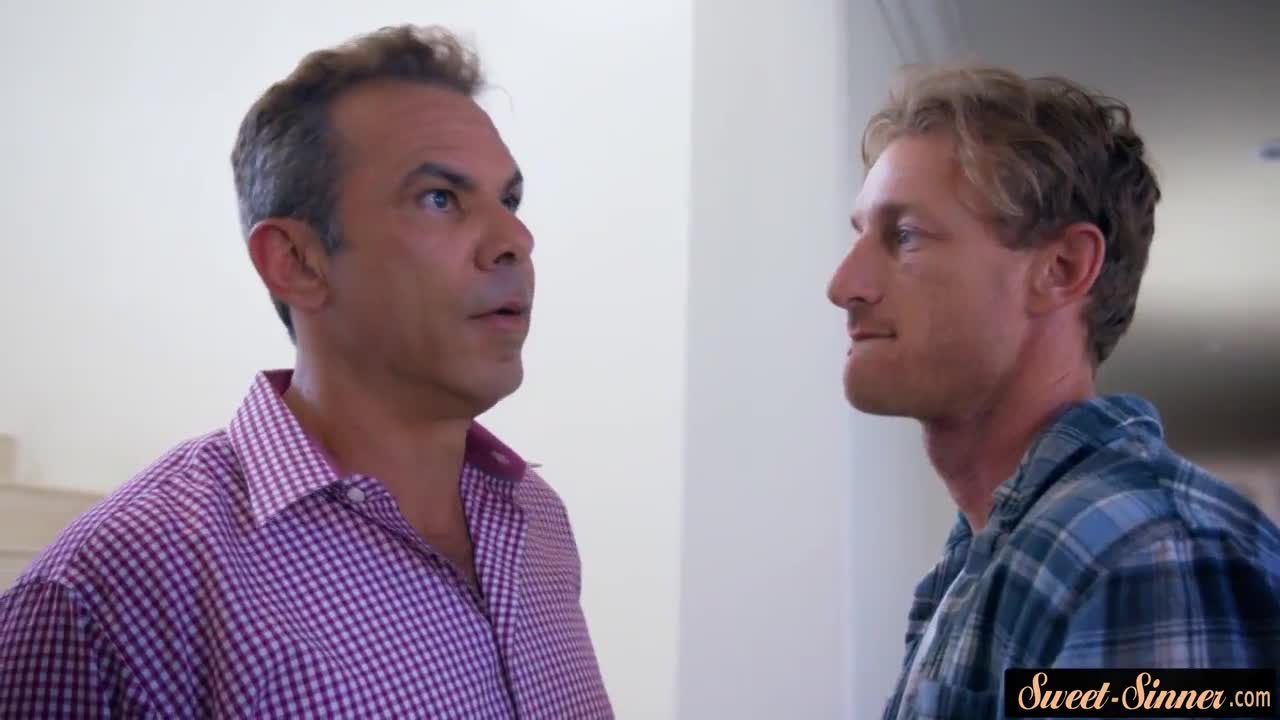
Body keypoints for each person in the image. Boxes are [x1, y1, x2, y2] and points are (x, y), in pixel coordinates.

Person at [0, 25, 613, 719]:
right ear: (295, 262)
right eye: (440, 198)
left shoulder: (534, 519)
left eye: (510, 201)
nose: (515, 240)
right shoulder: (109, 591)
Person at [827, 65, 1280, 719]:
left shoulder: (1144, 551)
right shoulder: (991, 559)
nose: (844, 285)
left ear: (1063, 268)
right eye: (860, 234)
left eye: (905, 236)